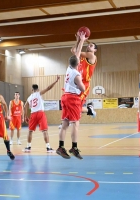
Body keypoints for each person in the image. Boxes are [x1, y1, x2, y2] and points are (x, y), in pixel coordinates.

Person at [56, 32, 86, 160]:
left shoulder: (69, 68)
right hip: (73, 98)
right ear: (78, 63)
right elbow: (82, 88)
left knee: (65, 124)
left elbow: (77, 52)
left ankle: (61, 147)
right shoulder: (76, 74)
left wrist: (81, 40)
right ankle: (74, 147)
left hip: (65, 97)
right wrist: (83, 86)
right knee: (76, 124)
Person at [58, 31, 98, 129]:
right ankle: (88, 110)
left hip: (84, 84)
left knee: (75, 104)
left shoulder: (92, 56)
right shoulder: (82, 57)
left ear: (95, 50)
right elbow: (73, 50)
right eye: (89, 45)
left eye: (91, 46)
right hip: (76, 82)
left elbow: (77, 52)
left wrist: (81, 40)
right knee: (71, 104)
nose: (89, 46)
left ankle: (88, 110)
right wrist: (78, 40)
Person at [23, 76, 60, 152]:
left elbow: (24, 107)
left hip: (33, 114)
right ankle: (48, 147)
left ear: (32, 90)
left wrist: (25, 116)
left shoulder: (29, 97)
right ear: (38, 89)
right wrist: (56, 81)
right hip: (40, 113)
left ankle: (28, 147)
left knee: (30, 131)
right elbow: (48, 87)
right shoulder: (39, 93)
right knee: (44, 131)